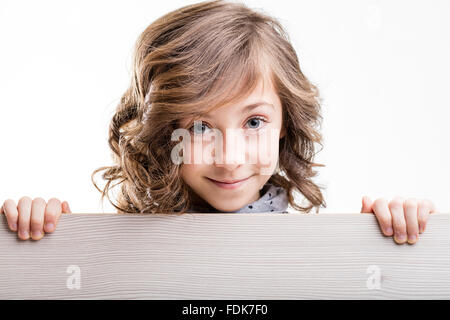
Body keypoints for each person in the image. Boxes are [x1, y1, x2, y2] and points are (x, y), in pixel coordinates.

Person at [0, 0, 438, 244]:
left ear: (285, 121)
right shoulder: (121, 245)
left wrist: (391, 235)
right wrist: (48, 237)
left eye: (253, 122)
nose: (229, 159)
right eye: (200, 128)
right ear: (163, 131)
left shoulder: (315, 248)